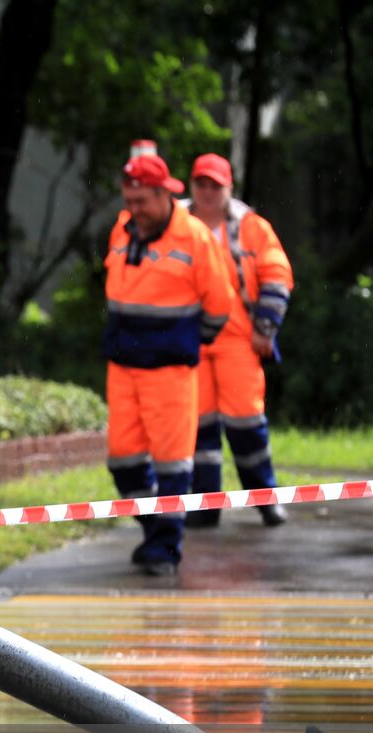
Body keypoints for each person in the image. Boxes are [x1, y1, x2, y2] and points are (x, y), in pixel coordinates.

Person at [104, 146, 234, 576]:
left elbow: (220, 305)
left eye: (141, 202)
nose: (134, 210)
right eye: (128, 202)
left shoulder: (195, 237)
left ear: (165, 194)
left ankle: (164, 550)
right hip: (123, 366)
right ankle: (156, 529)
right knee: (123, 460)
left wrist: (185, 343)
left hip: (170, 371)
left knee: (173, 464)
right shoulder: (123, 230)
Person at [182, 153, 294, 527]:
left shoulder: (252, 227)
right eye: (202, 183)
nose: (208, 191)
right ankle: (204, 507)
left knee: (247, 420)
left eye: (216, 184)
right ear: (191, 185)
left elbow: (277, 274)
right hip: (190, 338)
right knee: (199, 427)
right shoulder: (174, 223)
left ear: (229, 187)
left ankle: (265, 499)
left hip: (237, 338)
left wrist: (265, 328)